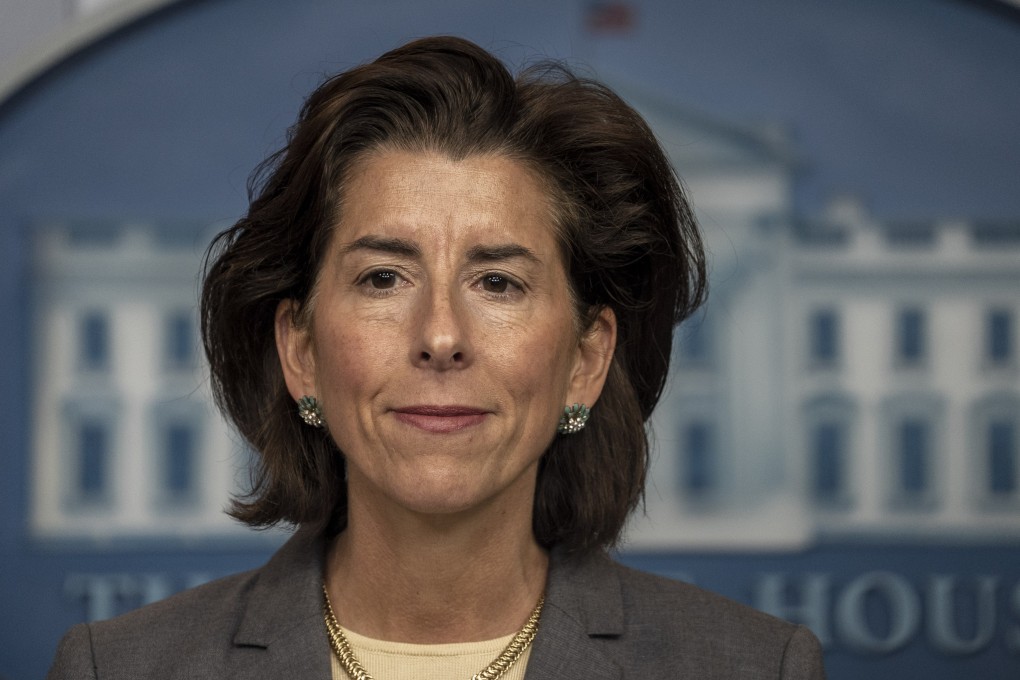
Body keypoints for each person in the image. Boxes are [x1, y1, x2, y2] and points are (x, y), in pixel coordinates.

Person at [47, 36, 825, 679]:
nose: (441, 335)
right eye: (384, 278)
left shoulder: (755, 668)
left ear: (586, 361)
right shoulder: (117, 668)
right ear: (301, 351)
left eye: (498, 281)